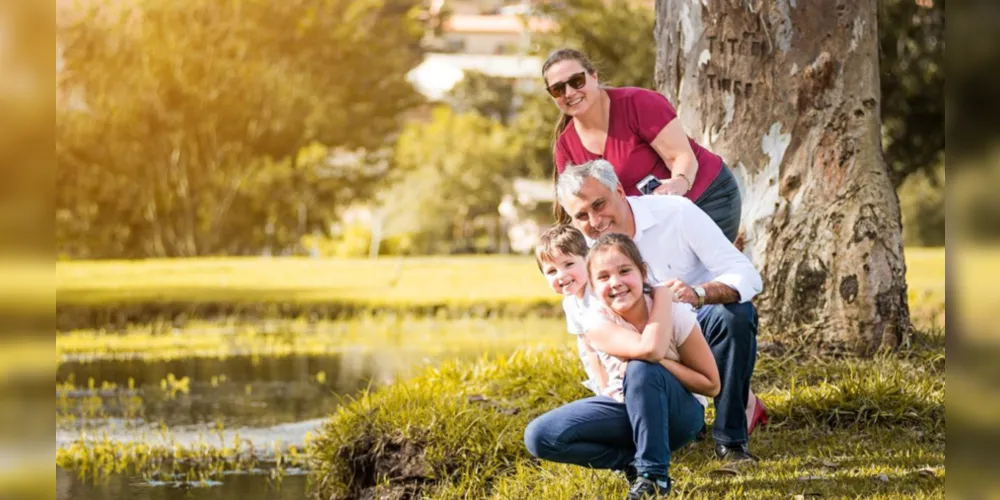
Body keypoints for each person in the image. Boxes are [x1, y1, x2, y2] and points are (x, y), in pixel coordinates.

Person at [554, 158, 763, 467]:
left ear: (620, 191)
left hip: (693, 328)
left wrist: (699, 293)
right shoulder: (580, 253)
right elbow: (587, 336)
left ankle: (730, 440)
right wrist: (608, 392)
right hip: (638, 355)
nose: (595, 221)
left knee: (735, 316)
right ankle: (659, 437)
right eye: (582, 215)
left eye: (600, 205)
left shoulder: (675, 213)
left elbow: (744, 274)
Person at [526, 230, 720, 499]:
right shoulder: (595, 323)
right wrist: (663, 296)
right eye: (604, 277)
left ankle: (653, 476)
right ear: (594, 284)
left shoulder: (673, 313)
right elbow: (650, 349)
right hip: (626, 410)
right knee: (540, 436)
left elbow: (711, 385)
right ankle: (629, 461)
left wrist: (662, 302)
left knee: (642, 368)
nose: (615, 283)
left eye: (624, 271)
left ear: (642, 271)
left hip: (679, 416)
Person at [542, 48, 743, 243]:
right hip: (653, 221)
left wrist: (678, 184)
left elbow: (680, 156)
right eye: (558, 89)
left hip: (707, 198)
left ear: (593, 76)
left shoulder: (638, 103)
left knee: (693, 275)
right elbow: (576, 205)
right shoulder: (565, 146)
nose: (569, 92)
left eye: (577, 81)